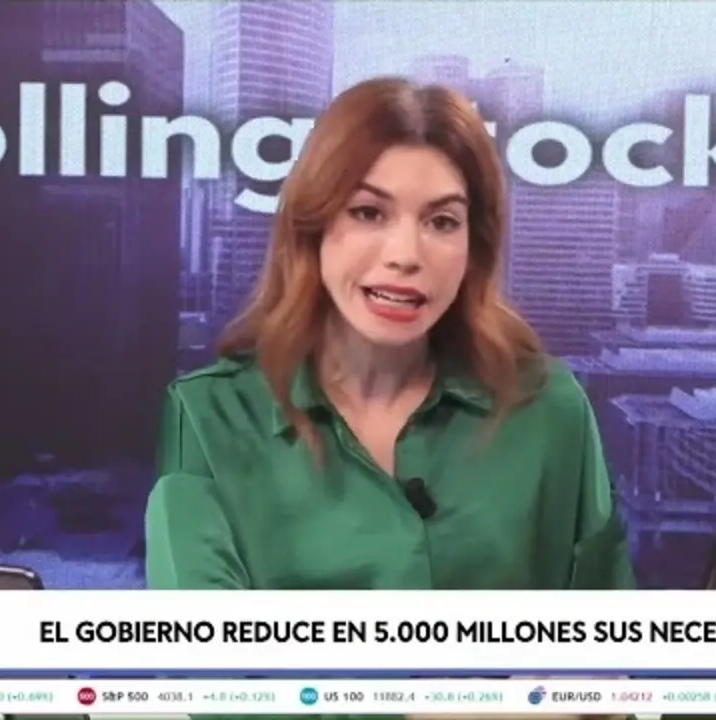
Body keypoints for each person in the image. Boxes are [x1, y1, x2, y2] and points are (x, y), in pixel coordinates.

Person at [146, 76, 635, 592]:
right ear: (312, 228)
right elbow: (204, 637)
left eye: (442, 221)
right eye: (368, 213)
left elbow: (608, 626)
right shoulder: (208, 417)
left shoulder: (548, 408)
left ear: (475, 246)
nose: (405, 255)